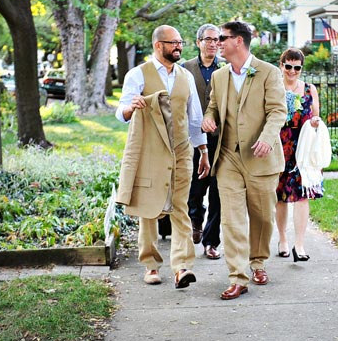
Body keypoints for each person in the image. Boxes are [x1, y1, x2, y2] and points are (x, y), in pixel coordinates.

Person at [115, 25, 209, 289]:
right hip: (151, 152)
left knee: (181, 207)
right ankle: (151, 265)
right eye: (174, 42)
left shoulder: (185, 77)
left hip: (181, 151)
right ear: (159, 45)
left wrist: (203, 151)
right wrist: (130, 108)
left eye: (180, 42)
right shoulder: (138, 75)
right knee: (150, 207)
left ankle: (182, 267)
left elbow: (195, 120)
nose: (179, 46)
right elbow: (121, 110)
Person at [201, 21, 287, 300]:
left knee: (262, 217)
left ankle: (258, 261)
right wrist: (208, 117)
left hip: (260, 157)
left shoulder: (269, 73)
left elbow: (277, 111)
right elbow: (213, 106)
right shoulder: (219, 76)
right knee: (232, 219)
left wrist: (267, 137)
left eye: (222, 39)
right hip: (227, 157)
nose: (217, 44)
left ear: (238, 41)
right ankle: (238, 276)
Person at [275, 48, 321, 262]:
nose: (292, 71)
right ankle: (283, 238)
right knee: (281, 197)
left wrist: (314, 122)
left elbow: (316, 118)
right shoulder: (274, 86)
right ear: (281, 65)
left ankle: (299, 244)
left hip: (302, 150)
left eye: (297, 67)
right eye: (288, 66)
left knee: (302, 196)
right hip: (279, 146)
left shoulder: (310, 90)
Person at [182, 23, 223, 259]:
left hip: (219, 140)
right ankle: (195, 218)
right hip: (192, 139)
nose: (212, 44)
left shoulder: (226, 70)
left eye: (216, 40)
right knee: (195, 188)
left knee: (218, 190)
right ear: (198, 42)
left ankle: (211, 241)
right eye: (207, 39)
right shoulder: (185, 70)